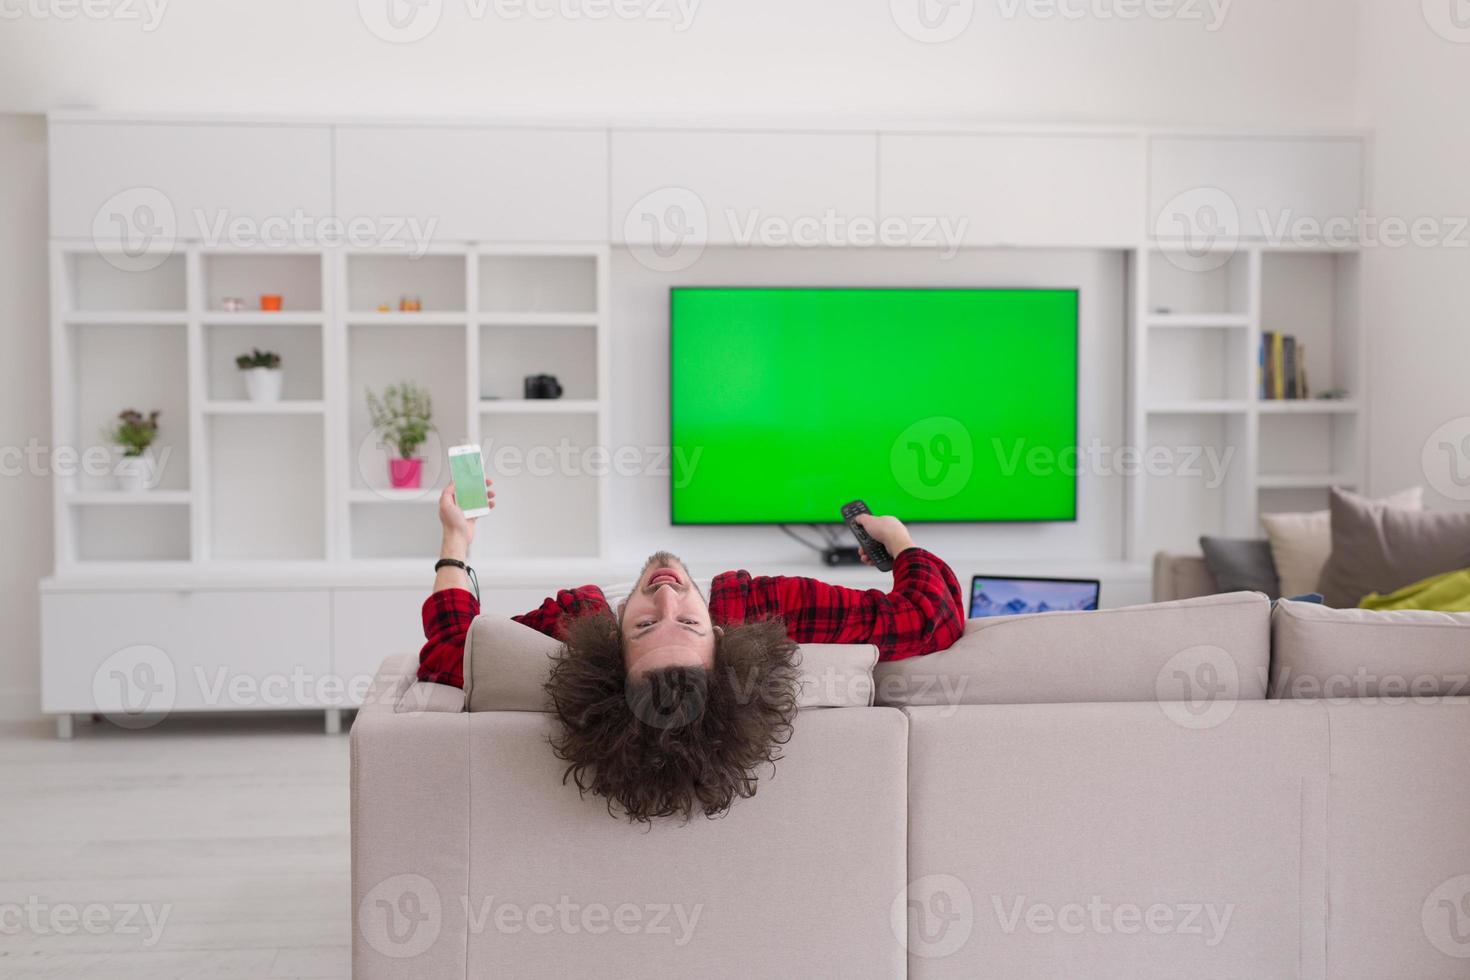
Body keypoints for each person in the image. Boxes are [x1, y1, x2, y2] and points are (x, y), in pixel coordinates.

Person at [418, 479, 965, 822]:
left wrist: (455, 539)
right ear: (724, 636)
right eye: (689, 623)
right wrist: (897, 541)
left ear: (610, 647)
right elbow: (929, 618)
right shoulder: (766, 609)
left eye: (645, 626)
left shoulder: (568, 626)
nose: (665, 591)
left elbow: (452, 652)